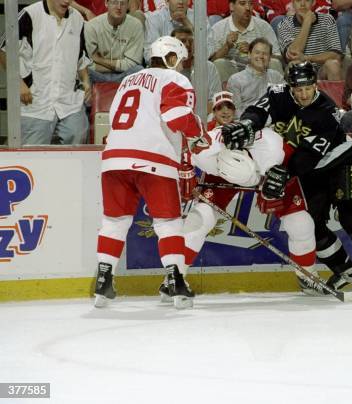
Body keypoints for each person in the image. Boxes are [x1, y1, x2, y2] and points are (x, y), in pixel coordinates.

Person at [221, 62, 352, 293]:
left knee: (351, 214)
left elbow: (307, 156)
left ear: (315, 85)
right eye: (298, 89)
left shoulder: (327, 112)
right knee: (312, 226)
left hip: (341, 162)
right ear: (291, 87)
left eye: (308, 88)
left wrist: (283, 172)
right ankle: (347, 271)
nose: (303, 94)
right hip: (309, 173)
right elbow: (258, 112)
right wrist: (247, 124)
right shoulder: (277, 94)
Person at [164, 90, 320, 298]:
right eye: (219, 108)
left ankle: (308, 276)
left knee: (300, 223)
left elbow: (297, 160)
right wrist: (186, 172)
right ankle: (174, 279)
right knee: (198, 220)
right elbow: (184, 152)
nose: (225, 111)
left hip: (266, 171)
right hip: (220, 171)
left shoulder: (271, 147)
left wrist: (281, 177)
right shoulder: (209, 152)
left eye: (228, 107)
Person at [93, 36, 206, 309]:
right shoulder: (175, 79)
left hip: (114, 158)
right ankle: (176, 282)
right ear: (171, 57)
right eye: (180, 60)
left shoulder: (127, 81)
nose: (181, 66)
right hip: (154, 159)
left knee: (114, 221)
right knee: (168, 223)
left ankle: (102, 281)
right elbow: (176, 116)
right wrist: (198, 132)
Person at [0, 0, 91, 145]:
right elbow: (4, 49)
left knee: (78, 139)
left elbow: (81, 56)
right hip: (35, 102)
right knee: (32, 159)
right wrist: (18, 82)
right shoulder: (29, 14)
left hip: (69, 102)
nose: (67, 1)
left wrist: (86, 80)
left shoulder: (77, 18)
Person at [209, 0, 283, 83]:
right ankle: (225, 96)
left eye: (251, 4)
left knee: (274, 63)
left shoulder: (263, 26)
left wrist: (255, 52)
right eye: (242, 3)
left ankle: (277, 94)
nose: (248, 8)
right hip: (231, 75)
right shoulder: (219, 28)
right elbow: (211, 63)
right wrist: (227, 46)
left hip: (259, 73)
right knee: (219, 63)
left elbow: (278, 58)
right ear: (232, 6)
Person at [277, 0, 343, 80]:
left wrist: (307, 58)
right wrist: (307, 22)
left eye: (307, 0)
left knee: (333, 65)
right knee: (296, 64)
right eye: (298, 0)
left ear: (314, 2)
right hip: (298, 71)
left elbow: (336, 55)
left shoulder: (327, 20)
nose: (302, 4)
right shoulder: (285, 24)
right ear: (293, 3)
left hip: (322, 71)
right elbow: (293, 55)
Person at [84, 0, 145, 83]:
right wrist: (119, 65)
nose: (119, 7)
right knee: (83, 71)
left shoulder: (136, 25)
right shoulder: (92, 26)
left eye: (122, 3)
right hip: (98, 75)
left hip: (124, 75)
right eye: (114, 2)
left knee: (139, 70)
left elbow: (132, 64)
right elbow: (89, 64)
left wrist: (100, 60)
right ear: (106, 3)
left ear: (127, 5)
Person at [226, 37, 286, 117]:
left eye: (265, 53)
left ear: (270, 58)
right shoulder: (235, 80)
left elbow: (285, 102)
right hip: (247, 123)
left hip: (274, 123)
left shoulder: (276, 77)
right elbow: (235, 111)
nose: (261, 56)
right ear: (249, 55)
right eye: (257, 52)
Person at [170, 27, 222, 113]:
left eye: (191, 41)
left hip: (204, 116)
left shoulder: (208, 67)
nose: (187, 44)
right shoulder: (166, 70)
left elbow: (215, 100)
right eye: (182, 41)